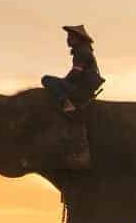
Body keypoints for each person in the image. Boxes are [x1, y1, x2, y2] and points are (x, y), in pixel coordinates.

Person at [41, 24, 104, 171]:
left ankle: (66, 104)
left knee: (47, 80)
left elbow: (75, 74)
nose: (68, 40)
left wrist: (61, 85)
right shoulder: (84, 51)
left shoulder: (81, 52)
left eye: (70, 37)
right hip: (83, 90)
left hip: (80, 91)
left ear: (78, 38)